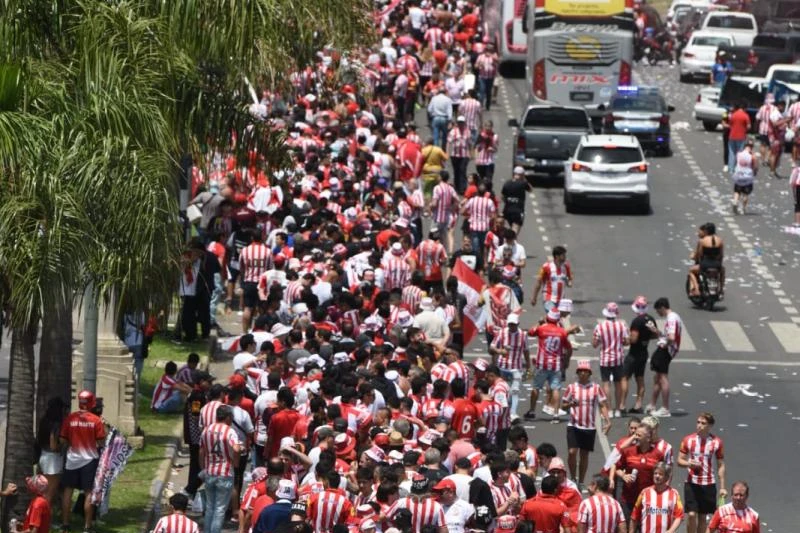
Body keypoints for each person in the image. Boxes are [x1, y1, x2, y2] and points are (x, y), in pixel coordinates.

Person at [59, 390, 106, 533]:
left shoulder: (70, 418)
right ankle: (87, 527)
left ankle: (65, 524)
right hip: (90, 461)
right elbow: (101, 442)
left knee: (68, 491)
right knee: (88, 493)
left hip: (72, 459)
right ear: (91, 403)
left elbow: (62, 439)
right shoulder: (96, 420)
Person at [562, 360, 611, 486]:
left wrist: (607, 420)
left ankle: (581, 481)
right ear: (578, 373)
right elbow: (563, 405)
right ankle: (573, 478)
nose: (583, 373)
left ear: (589, 373)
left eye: (585, 371)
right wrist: (570, 404)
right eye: (581, 371)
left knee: (584, 454)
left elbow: (602, 405)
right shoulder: (572, 388)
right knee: (572, 452)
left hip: (589, 427)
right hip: (573, 424)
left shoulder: (596, 388)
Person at [678, 412, 726, 533]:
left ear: (710, 426)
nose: (699, 425)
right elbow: (679, 460)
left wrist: (722, 487)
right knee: (692, 514)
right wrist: (689, 463)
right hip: (691, 482)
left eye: (703, 423)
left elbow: (721, 464)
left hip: (708, 483)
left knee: (703, 517)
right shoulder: (688, 440)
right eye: (698, 422)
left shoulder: (717, 442)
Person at [200, 404, 243, 533]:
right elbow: (236, 448)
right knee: (220, 509)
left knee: (210, 507)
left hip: (210, 471)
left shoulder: (206, 430)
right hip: (225, 472)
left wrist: (204, 468)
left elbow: (201, 451)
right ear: (228, 417)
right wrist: (236, 462)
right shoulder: (229, 431)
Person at [610, 423, 665, 518]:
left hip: (648, 499)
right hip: (628, 499)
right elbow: (617, 468)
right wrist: (624, 476)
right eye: (635, 434)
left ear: (648, 438)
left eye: (639, 435)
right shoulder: (628, 451)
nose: (636, 437)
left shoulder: (658, 455)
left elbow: (663, 475)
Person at [526, 308, 572, 420]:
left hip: (542, 363)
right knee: (556, 388)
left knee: (536, 387)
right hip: (556, 364)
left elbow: (530, 332)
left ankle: (532, 410)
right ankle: (555, 413)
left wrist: (539, 322)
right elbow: (569, 348)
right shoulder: (562, 332)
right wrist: (566, 361)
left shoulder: (542, 329)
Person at [592, 302, 629, 418]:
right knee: (618, 383)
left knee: (606, 383)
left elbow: (594, 344)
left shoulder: (600, 327)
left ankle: (608, 410)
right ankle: (618, 409)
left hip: (605, 358)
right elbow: (627, 342)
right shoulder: (622, 326)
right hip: (618, 358)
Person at [488, 312, 529, 417]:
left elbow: (526, 350)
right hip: (502, 367)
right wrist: (499, 351)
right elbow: (491, 347)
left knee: (514, 391)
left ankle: (513, 413)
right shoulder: (501, 333)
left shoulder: (523, 335)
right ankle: (503, 411)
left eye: (514, 324)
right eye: (510, 324)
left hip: (516, 367)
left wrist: (528, 365)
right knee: (503, 390)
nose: (512, 326)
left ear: (518, 324)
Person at [648, 297, 682, 417]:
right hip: (667, 349)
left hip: (666, 350)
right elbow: (667, 335)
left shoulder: (672, 318)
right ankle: (652, 404)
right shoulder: (674, 317)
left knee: (662, 378)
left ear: (662, 307)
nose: (658, 313)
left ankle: (665, 408)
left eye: (658, 311)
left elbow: (671, 338)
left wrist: (665, 345)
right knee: (657, 377)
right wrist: (657, 332)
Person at [622, 296, 656, 414]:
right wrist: (645, 338)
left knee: (624, 377)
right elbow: (655, 334)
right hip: (644, 352)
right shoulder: (650, 319)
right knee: (640, 378)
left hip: (634, 353)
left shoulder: (637, 321)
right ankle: (638, 404)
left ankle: (622, 405)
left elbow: (634, 339)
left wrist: (626, 340)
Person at [630, 462, 684, 533]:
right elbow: (634, 516)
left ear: (667, 477)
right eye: (655, 473)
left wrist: (670, 531)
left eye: (660, 474)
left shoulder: (674, 494)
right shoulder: (644, 493)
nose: (657, 476)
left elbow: (679, 516)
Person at [35, 397, 67, 506]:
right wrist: (63, 444)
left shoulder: (44, 421)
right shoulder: (56, 424)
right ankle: (45, 520)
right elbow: (54, 446)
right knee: (49, 493)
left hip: (43, 456)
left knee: (42, 491)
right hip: (53, 460)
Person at [688, 223, 725, 298]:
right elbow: (721, 255)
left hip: (705, 264)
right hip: (716, 264)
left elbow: (700, 254)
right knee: (722, 272)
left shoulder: (702, 241)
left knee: (691, 271)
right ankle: (721, 289)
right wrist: (719, 264)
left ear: (706, 231)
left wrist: (694, 257)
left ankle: (697, 290)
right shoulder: (720, 240)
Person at [531, 245, 572, 311]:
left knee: (558, 319)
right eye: (563, 255)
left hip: (561, 300)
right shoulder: (546, 267)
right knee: (554, 315)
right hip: (549, 299)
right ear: (557, 256)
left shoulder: (566, 267)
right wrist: (534, 297)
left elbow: (569, 280)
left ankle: (543, 320)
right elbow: (538, 283)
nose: (565, 257)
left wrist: (569, 282)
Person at [731, 139, 758, 215]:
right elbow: (755, 166)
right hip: (747, 177)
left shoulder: (739, 154)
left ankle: (735, 202)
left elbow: (736, 163)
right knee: (746, 194)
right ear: (752, 147)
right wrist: (755, 172)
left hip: (738, 175)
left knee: (737, 191)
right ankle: (743, 209)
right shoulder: (752, 156)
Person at [501, 167, 530, 233]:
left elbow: (502, 197)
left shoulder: (507, 183)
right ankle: (511, 242)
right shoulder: (523, 183)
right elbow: (530, 189)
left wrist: (508, 201)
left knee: (510, 229)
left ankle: (508, 241)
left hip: (507, 210)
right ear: (522, 174)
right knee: (514, 231)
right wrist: (525, 179)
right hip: (518, 211)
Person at [727, 102, 751, 174]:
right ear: (745, 108)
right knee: (739, 153)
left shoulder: (733, 115)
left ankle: (731, 169)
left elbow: (730, 124)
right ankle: (738, 168)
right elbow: (748, 126)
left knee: (732, 153)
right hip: (741, 137)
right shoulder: (745, 115)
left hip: (732, 136)